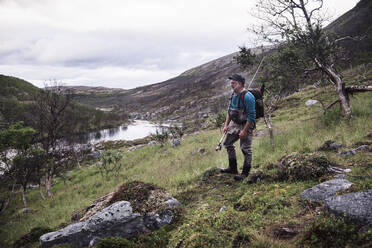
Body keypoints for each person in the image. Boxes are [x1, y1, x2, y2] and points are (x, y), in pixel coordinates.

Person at [220, 74, 256, 181]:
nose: (231, 85)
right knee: (227, 143)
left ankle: (245, 173)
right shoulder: (233, 95)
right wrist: (226, 125)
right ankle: (233, 168)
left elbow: (252, 116)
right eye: (231, 83)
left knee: (246, 149)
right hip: (235, 123)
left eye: (233, 83)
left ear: (239, 84)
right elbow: (229, 111)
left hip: (246, 124)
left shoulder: (248, 96)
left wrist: (244, 131)